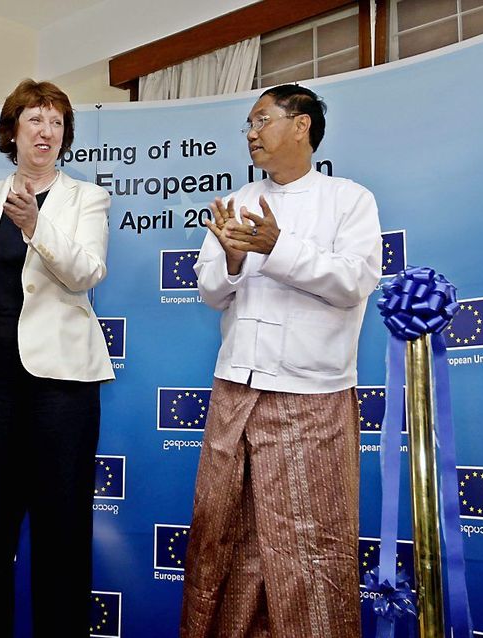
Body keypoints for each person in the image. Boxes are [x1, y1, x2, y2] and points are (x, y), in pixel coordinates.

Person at [180, 84, 381, 637]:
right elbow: (212, 292)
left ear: (302, 126)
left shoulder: (350, 199)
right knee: (222, 532)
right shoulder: (239, 201)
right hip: (236, 388)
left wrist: (279, 247)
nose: (251, 132)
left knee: (310, 546)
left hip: (310, 396)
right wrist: (235, 258)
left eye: (262, 119)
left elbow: (354, 280)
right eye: (248, 122)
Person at [0, 79, 113, 638]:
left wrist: (36, 226)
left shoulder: (87, 198)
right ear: (12, 131)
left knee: (62, 530)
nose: (47, 131)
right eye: (35, 119)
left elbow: (86, 272)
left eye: (57, 122)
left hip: (62, 387)